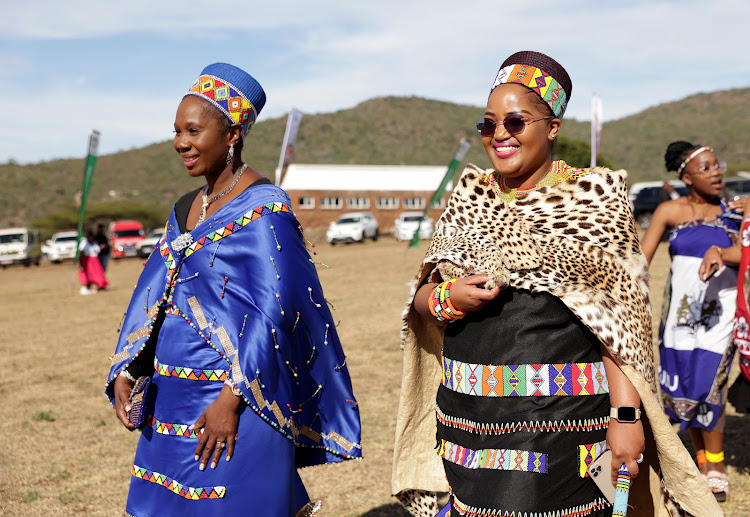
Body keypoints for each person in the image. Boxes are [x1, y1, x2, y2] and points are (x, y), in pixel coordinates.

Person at [392, 51, 720, 516]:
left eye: (515, 122)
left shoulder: (595, 201)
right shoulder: (469, 196)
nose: (499, 135)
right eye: (488, 124)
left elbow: (621, 328)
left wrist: (625, 417)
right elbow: (420, 300)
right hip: (467, 425)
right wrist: (448, 296)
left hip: (558, 426)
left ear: (552, 126)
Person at [105, 63, 361, 517]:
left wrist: (230, 401)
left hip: (236, 400)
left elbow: (274, 312)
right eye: (177, 130)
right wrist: (128, 368)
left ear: (232, 135)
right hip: (171, 399)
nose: (181, 142)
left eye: (194, 130)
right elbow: (155, 297)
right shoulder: (184, 208)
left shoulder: (266, 209)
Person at [641, 141, 739, 503]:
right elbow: (642, 261)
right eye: (707, 167)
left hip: (721, 317)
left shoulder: (734, 211)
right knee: (685, 392)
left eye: (718, 165)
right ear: (685, 175)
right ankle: (701, 460)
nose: (717, 172)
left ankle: (716, 467)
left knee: (710, 388)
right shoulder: (669, 210)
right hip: (678, 322)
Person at [78, 230, 108, 294]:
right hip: (87, 260)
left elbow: (97, 250)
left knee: (98, 273)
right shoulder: (84, 243)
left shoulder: (95, 243)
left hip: (95, 260)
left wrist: (101, 247)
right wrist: (80, 261)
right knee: (89, 274)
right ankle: (88, 286)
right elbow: (81, 252)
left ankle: (100, 285)